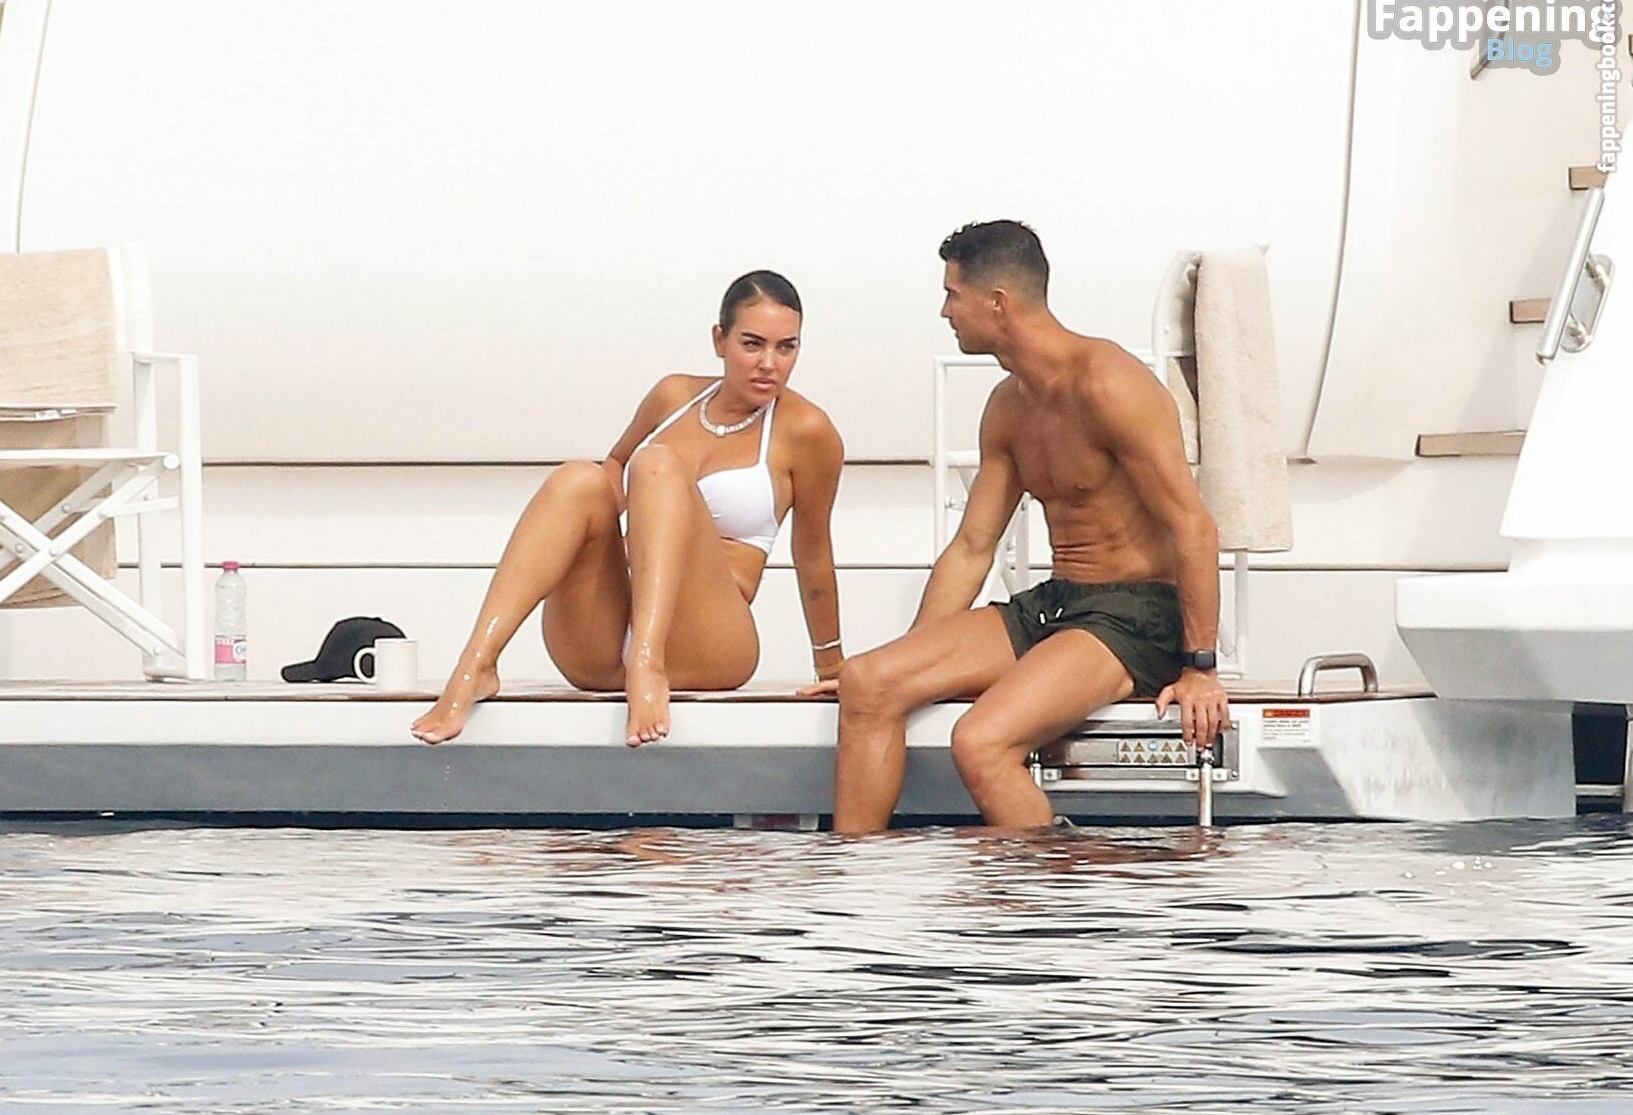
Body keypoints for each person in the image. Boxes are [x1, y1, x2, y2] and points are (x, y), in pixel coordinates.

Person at [804, 221, 1227, 834]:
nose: (945, 312)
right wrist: (910, 664)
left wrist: (1200, 668)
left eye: (953, 295)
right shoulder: (1009, 405)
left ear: (997, 302)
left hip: (1137, 617)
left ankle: (1053, 883)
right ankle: (854, 880)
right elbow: (972, 547)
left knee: (979, 742)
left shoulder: (1109, 383)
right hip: (1060, 604)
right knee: (868, 682)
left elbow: (1194, 526)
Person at [412, 271, 846, 747]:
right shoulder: (673, 396)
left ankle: (647, 661)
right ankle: (476, 664)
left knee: (657, 463)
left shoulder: (807, 430)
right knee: (578, 478)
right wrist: (603, 522)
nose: (769, 364)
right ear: (719, 340)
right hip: (603, 640)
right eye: (752, 344)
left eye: (786, 348)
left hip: (706, 642)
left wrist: (832, 668)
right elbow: (614, 470)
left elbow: (813, 552)